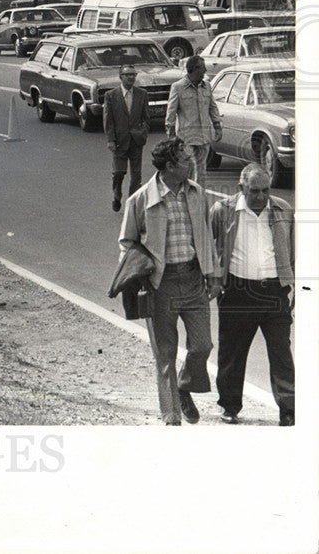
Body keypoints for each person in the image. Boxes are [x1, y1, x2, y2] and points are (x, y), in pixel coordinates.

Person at [119, 138, 221, 426]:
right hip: (159, 285)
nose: (191, 163)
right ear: (169, 167)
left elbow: (204, 236)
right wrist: (138, 279)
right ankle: (171, 417)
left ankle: (184, 385)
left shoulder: (196, 193)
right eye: (185, 160)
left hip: (192, 280)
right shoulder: (140, 200)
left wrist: (212, 275)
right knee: (165, 353)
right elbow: (126, 243)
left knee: (202, 345)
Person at [210, 163, 294, 426]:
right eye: (254, 191)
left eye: (265, 190)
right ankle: (230, 406)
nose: (260, 197)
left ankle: (288, 409)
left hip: (274, 292)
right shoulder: (222, 211)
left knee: (281, 353)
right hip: (237, 291)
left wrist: (293, 286)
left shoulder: (283, 210)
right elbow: (210, 248)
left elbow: (293, 250)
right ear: (241, 188)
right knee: (232, 353)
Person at [164, 55, 222, 186]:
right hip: (186, 138)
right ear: (194, 69)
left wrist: (217, 125)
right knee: (187, 170)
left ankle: (198, 197)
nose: (205, 71)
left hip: (203, 136)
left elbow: (212, 107)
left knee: (201, 171)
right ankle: (185, 195)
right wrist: (171, 135)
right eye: (202, 68)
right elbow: (171, 112)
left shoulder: (206, 85)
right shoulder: (178, 87)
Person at [103, 63, 150, 212]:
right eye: (128, 74)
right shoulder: (111, 95)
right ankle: (117, 194)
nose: (131, 77)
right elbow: (108, 119)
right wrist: (110, 139)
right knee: (118, 172)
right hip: (119, 141)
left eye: (133, 74)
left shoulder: (142, 94)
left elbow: (146, 117)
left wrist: (143, 132)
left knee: (136, 175)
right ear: (120, 77)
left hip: (136, 140)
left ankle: (132, 203)